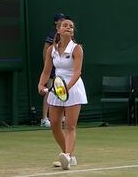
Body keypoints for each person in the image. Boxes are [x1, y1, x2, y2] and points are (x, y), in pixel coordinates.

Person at [38, 18, 87, 170]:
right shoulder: (51, 50)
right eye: (65, 25)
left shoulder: (77, 48)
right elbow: (46, 72)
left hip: (73, 88)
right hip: (57, 87)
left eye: (71, 26)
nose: (69, 28)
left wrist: (67, 88)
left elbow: (77, 72)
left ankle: (66, 155)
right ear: (58, 30)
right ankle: (69, 156)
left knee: (70, 126)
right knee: (54, 124)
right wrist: (41, 84)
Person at [40, 13, 68, 127]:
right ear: (56, 22)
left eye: (64, 19)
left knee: (62, 92)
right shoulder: (52, 35)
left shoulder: (66, 35)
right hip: (53, 68)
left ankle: (61, 117)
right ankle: (44, 119)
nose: (63, 21)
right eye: (60, 20)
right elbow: (46, 51)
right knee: (49, 92)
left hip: (63, 69)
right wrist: (48, 66)